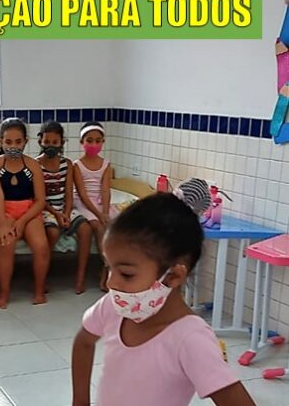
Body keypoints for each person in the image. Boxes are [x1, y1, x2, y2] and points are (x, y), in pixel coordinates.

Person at [71, 179, 255, 406]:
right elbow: (83, 342)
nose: (111, 283)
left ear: (173, 276)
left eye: (126, 274)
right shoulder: (113, 306)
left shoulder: (189, 338)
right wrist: (80, 402)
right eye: (109, 267)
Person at [0, 118, 50, 308]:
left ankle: (39, 290)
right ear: (1, 141)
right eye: (8, 142)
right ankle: (4, 293)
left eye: (18, 142)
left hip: (29, 210)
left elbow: (40, 200)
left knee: (41, 245)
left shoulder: (33, 165)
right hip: (3, 209)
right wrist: (4, 223)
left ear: (25, 142)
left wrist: (22, 222)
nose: (13, 147)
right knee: (6, 243)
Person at [37, 121, 92, 294]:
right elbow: (39, 198)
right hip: (46, 209)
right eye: (47, 141)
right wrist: (57, 214)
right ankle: (42, 276)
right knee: (52, 232)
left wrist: (66, 214)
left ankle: (80, 277)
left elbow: (69, 193)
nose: (50, 145)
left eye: (55, 142)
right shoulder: (35, 165)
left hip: (64, 207)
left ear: (61, 142)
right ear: (40, 141)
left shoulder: (67, 164)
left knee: (85, 229)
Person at [73, 121, 116, 291]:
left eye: (98, 141)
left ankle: (106, 270)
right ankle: (106, 267)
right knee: (98, 227)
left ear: (103, 142)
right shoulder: (77, 165)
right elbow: (82, 194)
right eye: (89, 140)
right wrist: (98, 216)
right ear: (81, 142)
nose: (93, 144)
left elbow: (105, 189)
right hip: (83, 203)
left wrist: (105, 212)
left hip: (99, 203)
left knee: (111, 226)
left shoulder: (106, 164)